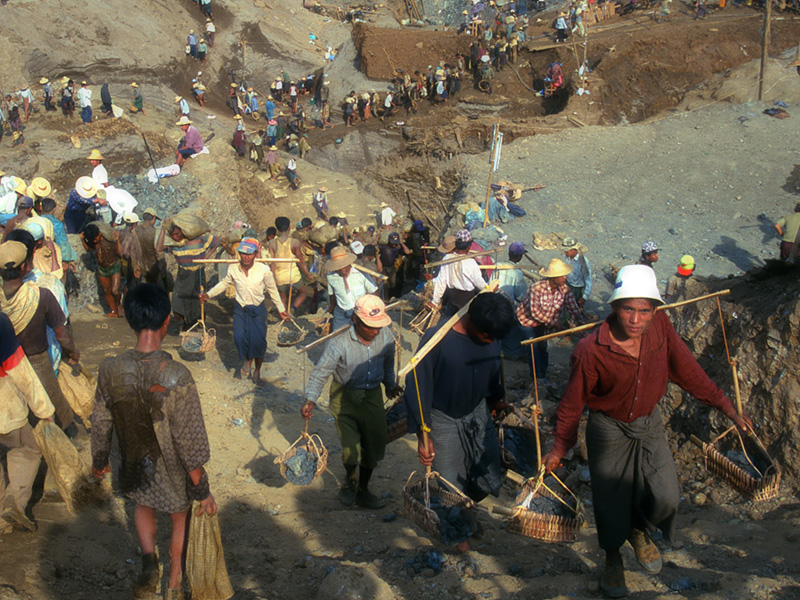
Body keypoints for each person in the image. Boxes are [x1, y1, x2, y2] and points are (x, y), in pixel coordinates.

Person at [542, 265, 752, 598]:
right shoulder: (590, 350)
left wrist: (726, 406)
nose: (636, 319)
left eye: (644, 311)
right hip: (608, 428)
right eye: (628, 309)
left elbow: (687, 369)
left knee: (666, 495)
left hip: (649, 423)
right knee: (610, 500)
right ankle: (613, 559)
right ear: (614, 308)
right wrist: (560, 447)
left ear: (655, 311)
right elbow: (572, 403)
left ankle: (638, 530)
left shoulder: (661, 329)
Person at [91, 284, 217, 600]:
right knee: (179, 518)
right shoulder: (177, 374)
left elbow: (101, 420)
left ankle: (149, 559)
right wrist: (201, 488)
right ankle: (174, 580)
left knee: (142, 503)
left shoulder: (110, 368)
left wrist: (100, 458)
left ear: (132, 322)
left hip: (134, 460)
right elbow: (189, 438)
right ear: (166, 322)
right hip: (171, 466)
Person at [404, 293, 515, 513]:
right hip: (443, 418)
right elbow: (418, 386)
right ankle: (458, 526)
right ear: (472, 321)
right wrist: (422, 434)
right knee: (450, 483)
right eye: (487, 336)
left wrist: (496, 401)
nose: (491, 341)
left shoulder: (490, 336)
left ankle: (465, 509)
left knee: (489, 477)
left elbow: (492, 373)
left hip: (477, 413)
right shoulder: (437, 339)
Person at [301, 295, 401, 508]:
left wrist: (390, 385)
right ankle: (350, 480)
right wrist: (311, 399)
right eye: (370, 327)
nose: (375, 331)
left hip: (372, 395)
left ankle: (363, 489)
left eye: (378, 326)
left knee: (372, 444)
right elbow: (321, 372)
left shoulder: (386, 337)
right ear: (356, 321)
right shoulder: (338, 344)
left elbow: (388, 364)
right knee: (350, 446)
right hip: (344, 397)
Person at [0, 240, 79, 432]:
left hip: (7, 366)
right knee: (55, 408)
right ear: (23, 266)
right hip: (39, 362)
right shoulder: (41, 295)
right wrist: (73, 352)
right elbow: (62, 334)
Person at [201, 238, 288, 384]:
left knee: (258, 342)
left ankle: (257, 370)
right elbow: (224, 283)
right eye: (243, 254)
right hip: (240, 308)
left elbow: (272, 290)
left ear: (255, 254)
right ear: (239, 254)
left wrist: (281, 309)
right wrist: (208, 294)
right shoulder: (233, 269)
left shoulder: (264, 271)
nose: (246, 257)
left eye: (250, 254)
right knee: (239, 337)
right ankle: (248, 359)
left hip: (258, 309)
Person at [0, 307, 54, 534]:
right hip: (5, 408)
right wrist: (44, 409)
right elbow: (20, 370)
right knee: (27, 448)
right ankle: (15, 501)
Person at [517, 258, 584, 382]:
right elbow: (535, 312)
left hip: (545, 322)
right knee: (534, 349)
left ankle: (543, 371)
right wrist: (556, 323)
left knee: (543, 347)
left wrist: (580, 322)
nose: (565, 277)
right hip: (528, 321)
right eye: (562, 275)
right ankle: (537, 377)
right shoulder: (537, 288)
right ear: (553, 277)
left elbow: (572, 307)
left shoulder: (565, 289)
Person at [156, 217, 219, 330]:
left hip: (197, 273)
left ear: (183, 231)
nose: (175, 237)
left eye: (177, 233)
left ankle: (197, 324)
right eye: (173, 235)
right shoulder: (173, 244)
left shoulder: (199, 239)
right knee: (177, 300)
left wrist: (206, 259)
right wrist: (163, 230)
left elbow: (217, 241)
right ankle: (183, 323)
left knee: (196, 300)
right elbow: (159, 248)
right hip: (183, 274)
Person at [430, 230, 488, 317]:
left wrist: (435, 301)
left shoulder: (447, 258)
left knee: (449, 318)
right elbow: (479, 282)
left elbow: (441, 281)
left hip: (452, 297)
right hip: (466, 299)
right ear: (469, 246)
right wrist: (489, 289)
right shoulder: (471, 263)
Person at [325, 246, 378, 330]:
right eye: (339, 267)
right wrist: (331, 310)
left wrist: (376, 308)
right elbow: (332, 296)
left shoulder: (361, 273)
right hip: (341, 313)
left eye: (344, 266)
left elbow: (373, 292)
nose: (342, 270)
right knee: (337, 337)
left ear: (349, 263)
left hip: (361, 311)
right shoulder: (331, 277)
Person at [268, 216, 311, 314]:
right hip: (293, 274)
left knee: (283, 298)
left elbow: (272, 263)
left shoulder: (271, 243)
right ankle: (292, 310)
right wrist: (307, 274)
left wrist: (273, 278)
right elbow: (301, 260)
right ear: (289, 228)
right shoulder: (294, 242)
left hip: (280, 276)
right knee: (303, 293)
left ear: (277, 229)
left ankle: (285, 315)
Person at [81, 222, 123, 317]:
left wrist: (117, 240)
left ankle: (118, 305)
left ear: (99, 234)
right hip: (102, 269)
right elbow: (88, 249)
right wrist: (82, 240)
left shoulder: (108, 240)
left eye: (96, 238)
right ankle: (113, 311)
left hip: (114, 265)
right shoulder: (93, 242)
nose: (95, 241)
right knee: (106, 290)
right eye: (93, 239)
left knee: (115, 290)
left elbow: (120, 253)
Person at [378, 232, 410, 299]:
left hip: (393, 267)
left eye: (396, 243)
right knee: (383, 284)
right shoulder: (384, 247)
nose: (394, 245)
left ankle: (394, 297)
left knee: (393, 284)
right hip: (383, 267)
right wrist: (376, 238)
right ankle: (385, 298)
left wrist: (401, 243)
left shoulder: (398, 248)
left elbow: (408, 252)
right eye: (393, 243)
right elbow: (373, 248)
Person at [562, 237, 592, 305]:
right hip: (568, 284)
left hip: (577, 289)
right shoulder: (568, 258)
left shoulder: (583, 262)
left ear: (573, 250)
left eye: (566, 251)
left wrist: (585, 296)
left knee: (574, 308)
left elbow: (588, 279)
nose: (565, 253)